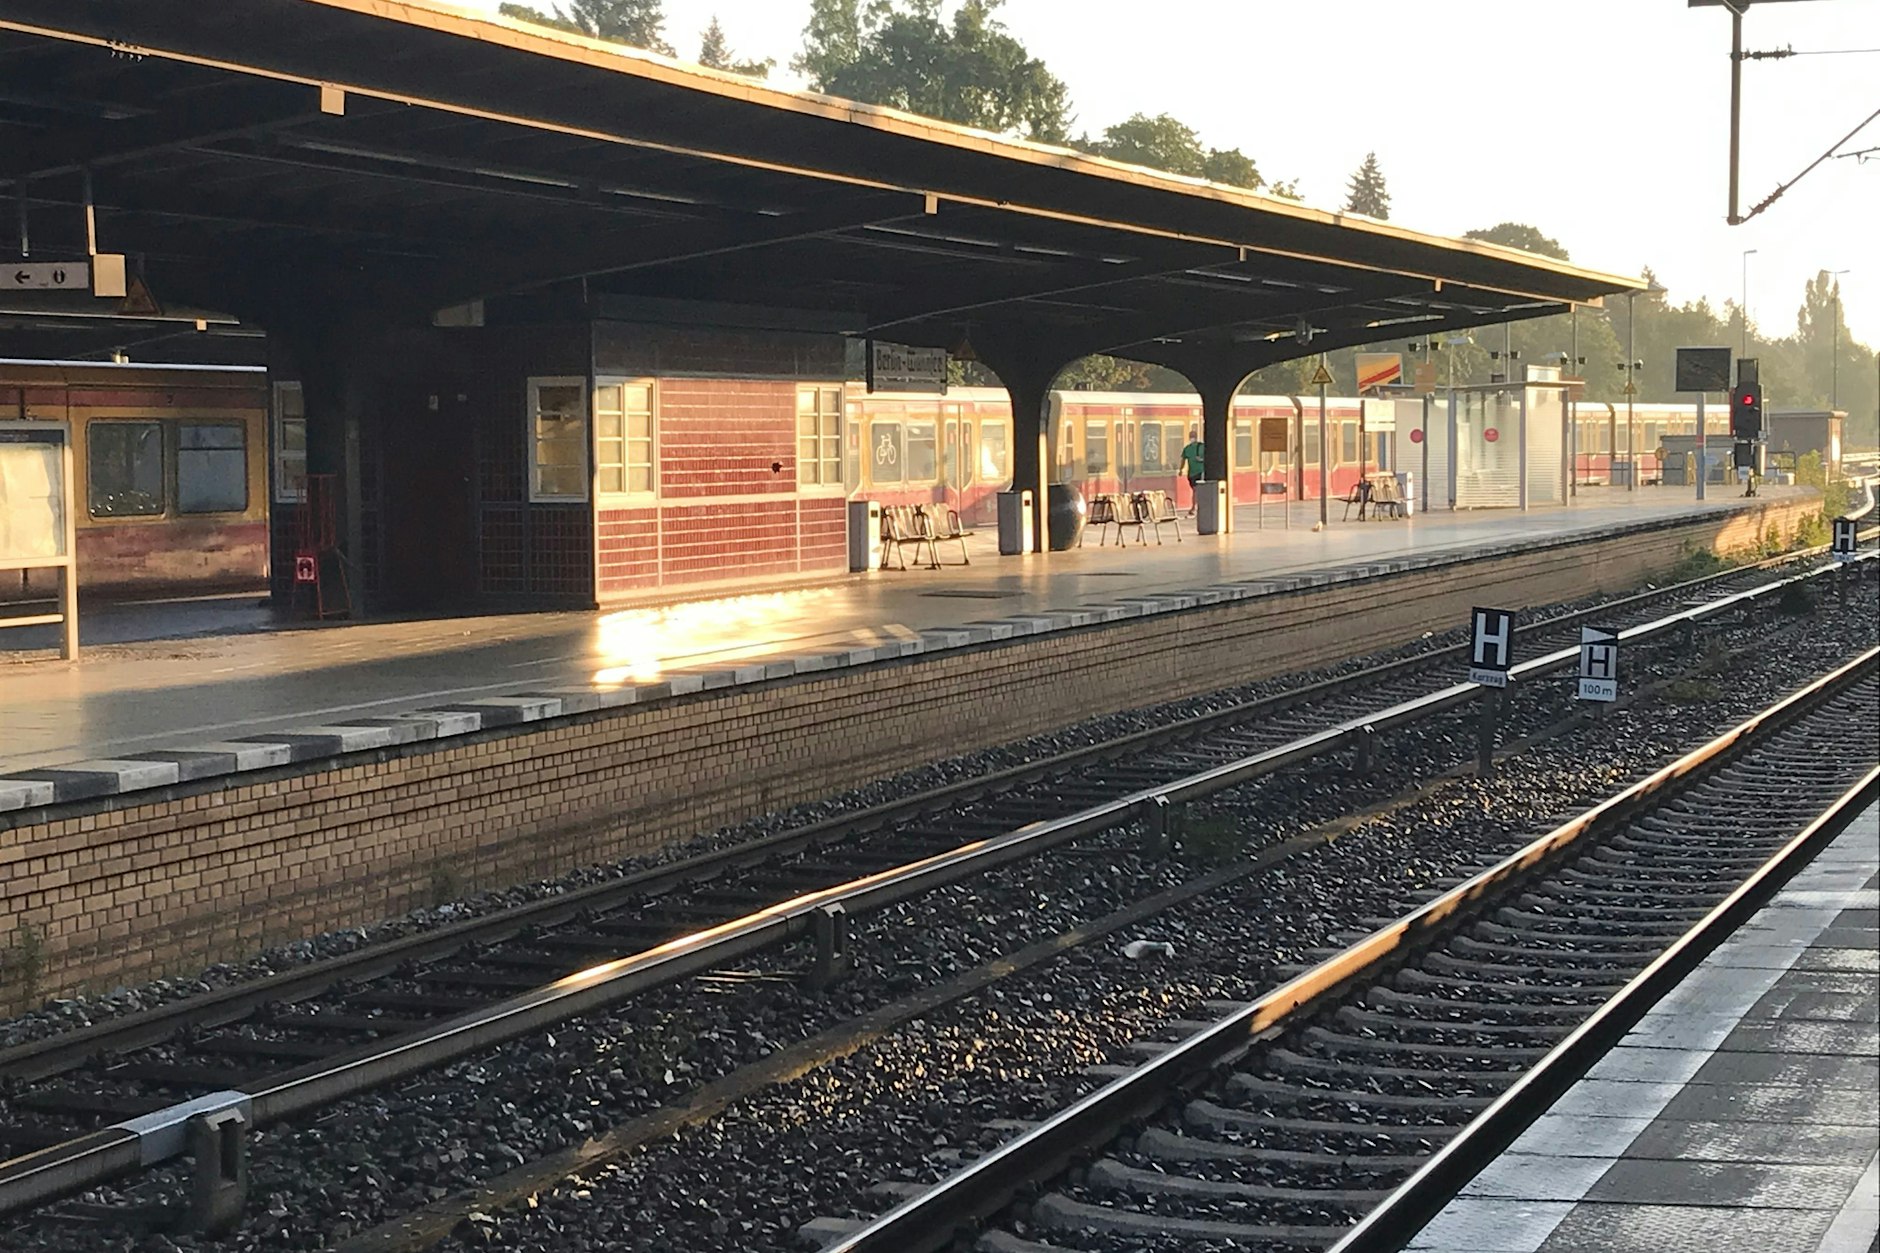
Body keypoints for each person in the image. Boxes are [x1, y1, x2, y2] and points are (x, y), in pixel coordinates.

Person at [1179, 428, 1206, 516]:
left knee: (1196, 490)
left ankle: (1195, 507)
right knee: (1195, 490)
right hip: (1191, 473)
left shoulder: (1201, 446)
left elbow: (1209, 457)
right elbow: (1183, 460)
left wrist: (1201, 460)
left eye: (1193, 436)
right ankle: (1196, 506)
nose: (1192, 438)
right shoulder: (1187, 448)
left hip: (1200, 471)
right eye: (1191, 436)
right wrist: (1181, 469)